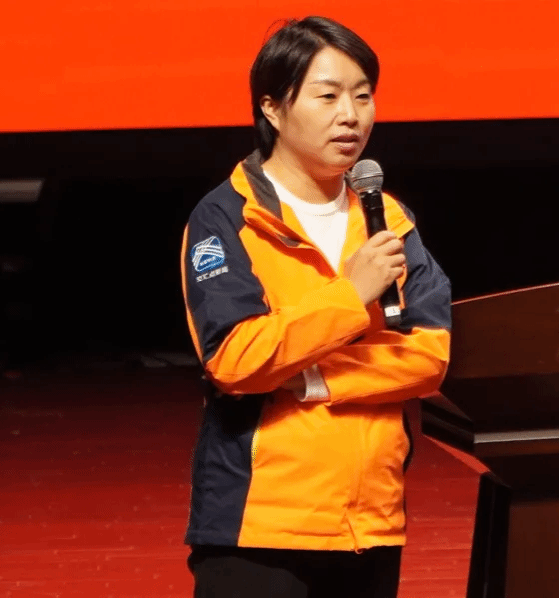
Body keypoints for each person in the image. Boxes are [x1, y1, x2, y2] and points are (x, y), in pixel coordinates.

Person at [178, 15, 452, 598]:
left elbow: (429, 357)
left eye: (363, 96)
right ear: (273, 109)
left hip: (372, 520)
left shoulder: (389, 220)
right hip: (259, 526)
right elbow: (236, 359)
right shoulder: (228, 218)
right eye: (327, 97)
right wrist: (352, 296)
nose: (350, 115)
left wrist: (310, 379)